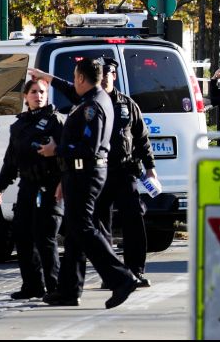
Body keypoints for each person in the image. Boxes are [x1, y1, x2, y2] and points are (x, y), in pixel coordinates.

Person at [31, 59, 157, 289]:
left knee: (127, 220)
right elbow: (70, 89)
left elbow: (141, 139)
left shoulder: (117, 105)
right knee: (96, 224)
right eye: (104, 73)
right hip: (99, 173)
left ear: (114, 76)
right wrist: (47, 77)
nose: (107, 77)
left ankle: (130, 272)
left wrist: (150, 169)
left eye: (111, 73)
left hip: (122, 169)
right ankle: (103, 278)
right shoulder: (91, 99)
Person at [0, 79, 64, 300]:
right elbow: (11, 160)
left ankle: (55, 287)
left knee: (45, 236)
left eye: (42, 92)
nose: (38, 96)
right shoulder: (19, 125)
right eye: (34, 92)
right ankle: (32, 285)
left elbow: (67, 155)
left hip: (50, 185)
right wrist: (0, 186)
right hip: (28, 186)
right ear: (25, 96)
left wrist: (63, 182)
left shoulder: (56, 121)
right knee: (22, 234)